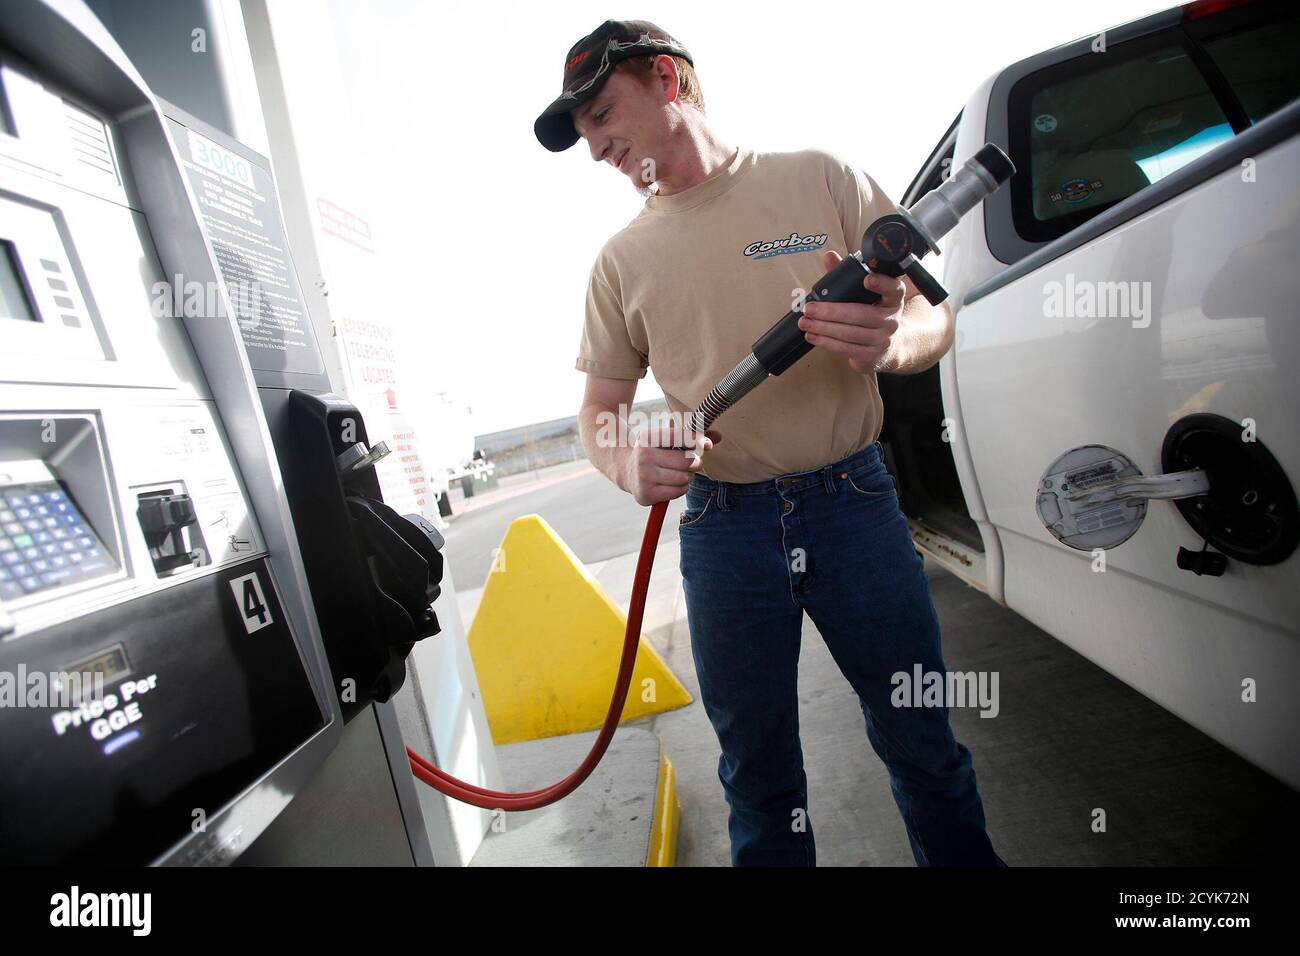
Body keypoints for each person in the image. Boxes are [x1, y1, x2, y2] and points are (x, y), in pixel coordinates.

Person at [537, 19, 1004, 867]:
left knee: (924, 745)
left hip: (853, 506)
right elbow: (600, 410)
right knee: (758, 782)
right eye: (583, 133)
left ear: (667, 80)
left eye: (602, 115)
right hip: (726, 531)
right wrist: (625, 459)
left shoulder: (819, 177)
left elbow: (933, 317)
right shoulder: (620, 262)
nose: (596, 146)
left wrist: (892, 342)